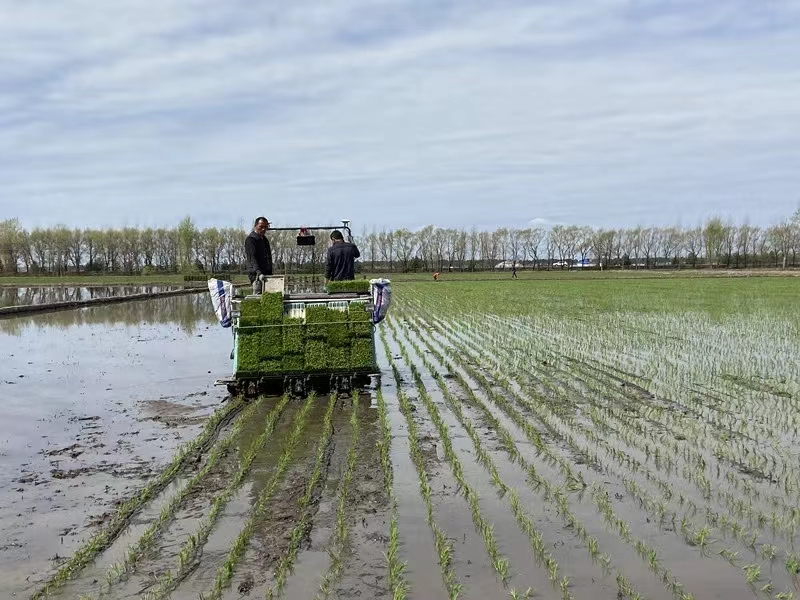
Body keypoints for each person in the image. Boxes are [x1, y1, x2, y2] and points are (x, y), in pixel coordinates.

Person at [245, 217, 273, 294]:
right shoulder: (251, 240)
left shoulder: (264, 240)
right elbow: (252, 258)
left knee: (269, 296)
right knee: (258, 297)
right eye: (261, 227)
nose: (263, 229)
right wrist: (259, 273)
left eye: (265, 227)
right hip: (256, 275)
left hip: (267, 274)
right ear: (255, 226)